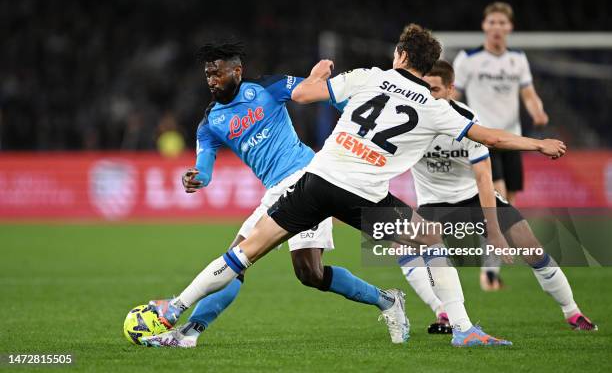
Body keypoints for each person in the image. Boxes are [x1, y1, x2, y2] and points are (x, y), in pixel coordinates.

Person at [143, 24, 566, 348]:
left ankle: (173, 311)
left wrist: (318, 78)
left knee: (243, 254)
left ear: (400, 55)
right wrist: (537, 143)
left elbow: (310, 95)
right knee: (427, 240)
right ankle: (463, 328)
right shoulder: (438, 110)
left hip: (315, 179)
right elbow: (491, 138)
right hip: (362, 193)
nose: (211, 78)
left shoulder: (368, 77)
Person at [142, 42, 407, 348]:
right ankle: (190, 333)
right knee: (281, 269)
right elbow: (205, 168)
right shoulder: (210, 122)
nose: (211, 80)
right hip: (275, 192)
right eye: (207, 75)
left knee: (283, 268)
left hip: (308, 180)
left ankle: (387, 300)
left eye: (217, 73)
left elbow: (317, 92)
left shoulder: (267, 87)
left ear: (237, 71)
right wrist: (195, 178)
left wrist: (333, 98)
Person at [397, 60, 597, 333]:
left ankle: (573, 313)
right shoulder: (408, 122)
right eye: (424, 88)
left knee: (532, 250)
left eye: (434, 89)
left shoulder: (466, 121)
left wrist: (493, 230)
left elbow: (483, 177)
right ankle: (443, 312)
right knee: (403, 249)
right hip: (433, 203)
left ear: (450, 90)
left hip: (474, 198)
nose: (428, 95)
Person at [453, 2, 549, 290]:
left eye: (501, 23)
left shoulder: (518, 59)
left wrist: (538, 111)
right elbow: (453, 94)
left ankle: (491, 267)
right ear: (484, 26)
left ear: (510, 27)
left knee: (511, 206)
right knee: (498, 202)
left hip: (512, 140)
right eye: (492, 22)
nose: (496, 27)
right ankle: (489, 273)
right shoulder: (468, 59)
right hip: (484, 139)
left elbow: (529, 93)